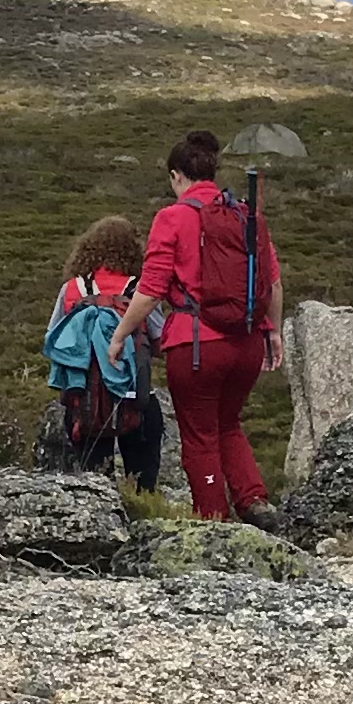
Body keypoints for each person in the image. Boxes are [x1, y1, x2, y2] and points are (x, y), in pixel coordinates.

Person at [135, 129, 281, 521]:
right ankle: (253, 498)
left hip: (196, 344)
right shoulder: (246, 215)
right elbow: (274, 282)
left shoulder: (172, 217)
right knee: (228, 423)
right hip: (247, 341)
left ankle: (214, 521)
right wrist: (275, 332)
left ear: (176, 176)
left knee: (199, 436)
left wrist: (119, 337)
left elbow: (150, 290)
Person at [41, 213, 165, 491]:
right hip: (136, 401)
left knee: (94, 484)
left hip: (84, 404)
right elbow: (161, 343)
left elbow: (53, 340)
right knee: (142, 483)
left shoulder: (72, 289)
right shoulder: (141, 291)